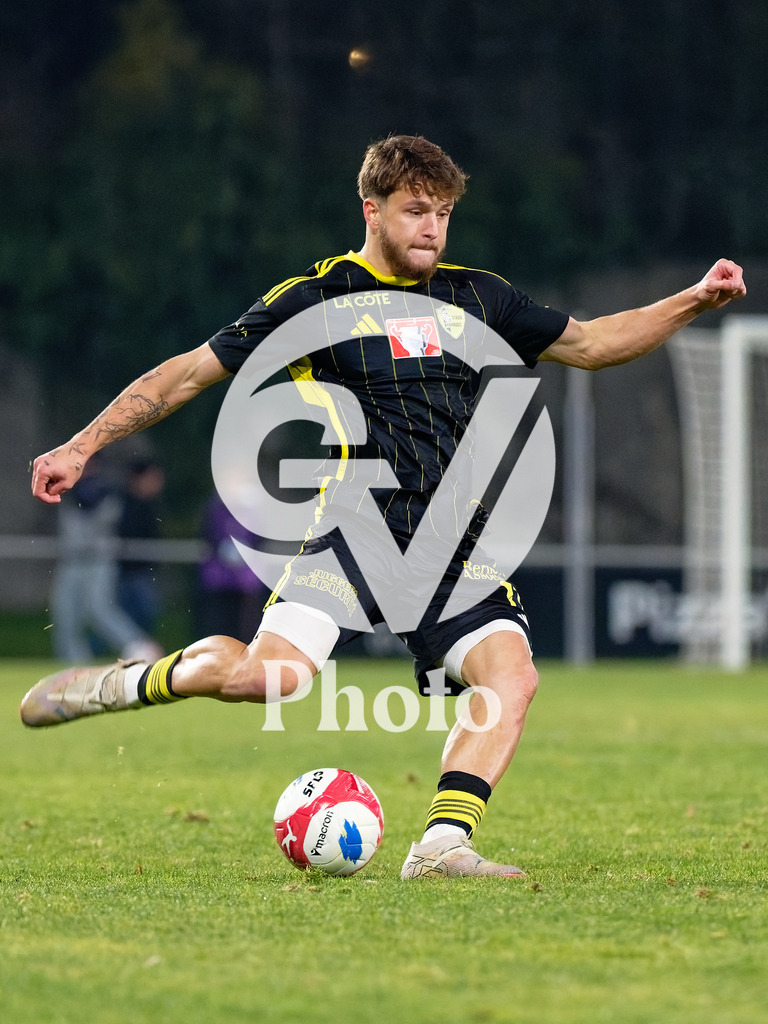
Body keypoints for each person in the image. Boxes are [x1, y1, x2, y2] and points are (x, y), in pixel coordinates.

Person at [21, 135, 746, 879]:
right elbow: (184, 376)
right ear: (372, 211)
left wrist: (694, 298)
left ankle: (440, 848)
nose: (432, 228)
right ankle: (119, 684)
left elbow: (593, 343)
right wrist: (83, 444)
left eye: (443, 214)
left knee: (512, 678)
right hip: (354, 533)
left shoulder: (480, 297)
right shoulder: (317, 300)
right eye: (415, 211)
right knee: (270, 680)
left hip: (451, 548)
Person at [49, 456, 163, 664]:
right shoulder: (68, 489)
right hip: (72, 561)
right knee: (65, 616)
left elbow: (92, 504)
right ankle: (75, 665)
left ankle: (139, 646)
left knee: (99, 609)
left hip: (99, 561)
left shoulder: (106, 492)